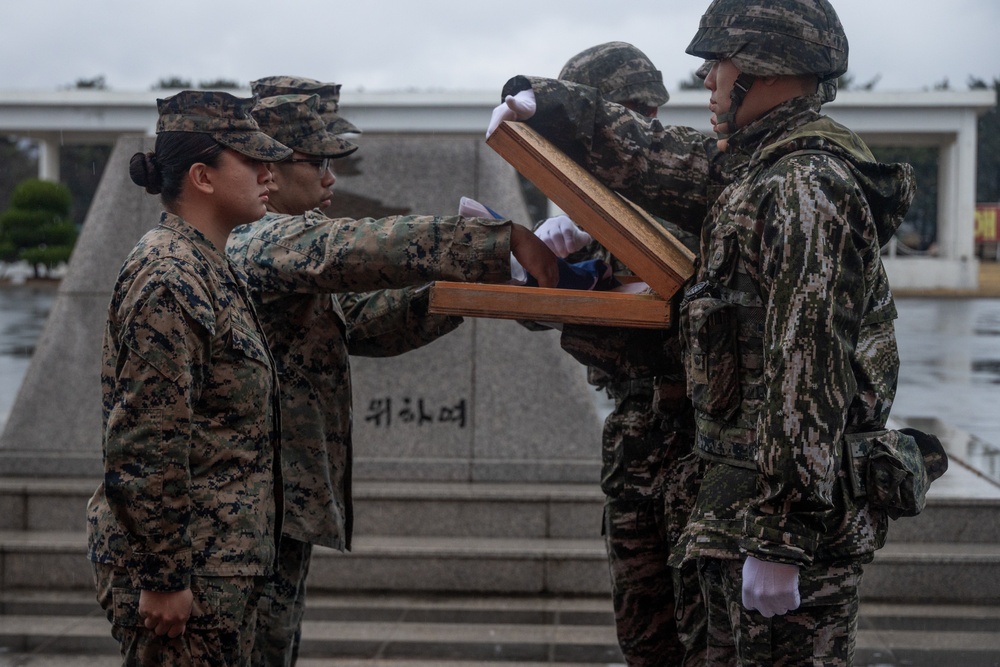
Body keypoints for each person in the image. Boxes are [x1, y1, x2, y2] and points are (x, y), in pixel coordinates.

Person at [484, 0, 945, 663]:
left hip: (780, 524)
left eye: (718, 62)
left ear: (766, 68)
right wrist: (552, 107)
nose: (706, 79)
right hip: (742, 507)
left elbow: (805, 367)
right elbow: (660, 154)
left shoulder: (805, 183)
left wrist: (780, 535)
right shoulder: (756, 166)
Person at [225, 86, 558, 666]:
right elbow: (340, 249)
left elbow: (359, 324)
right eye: (318, 161)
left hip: (274, 510)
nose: (332, 179)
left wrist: (463, 294)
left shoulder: (276, 248)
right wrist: (487, 244)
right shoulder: (252, 237)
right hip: (240, 518)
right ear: (267, 171)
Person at [86, 90, 292, 665]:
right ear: (202, 176)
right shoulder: (171, 276)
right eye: (251, 161)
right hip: (189, 578)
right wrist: (164, 576)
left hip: (218, 565)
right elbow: (147, 442)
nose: (268, 173)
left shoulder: (206, 264)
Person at [527, 41, 707, 666]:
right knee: (646, 637)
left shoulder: (692, 186)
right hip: (635, 442)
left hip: (702, 446)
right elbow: (539, 312)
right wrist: (543, 264)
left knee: (708, 635)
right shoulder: (593, 201)